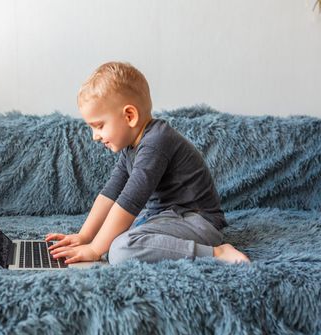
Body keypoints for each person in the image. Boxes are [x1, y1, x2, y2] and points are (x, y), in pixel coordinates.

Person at [45, 61, 250, 265]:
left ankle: (216, 253)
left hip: (197, 221)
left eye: (98, 126)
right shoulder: (131, 147)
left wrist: (94, 249)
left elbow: (129, 200)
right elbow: (110, 193)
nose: (95, 137)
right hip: (164, 216)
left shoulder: (156, 142)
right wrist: (85, 237)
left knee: (120, 250)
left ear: (130, 116)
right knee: (109, 234)